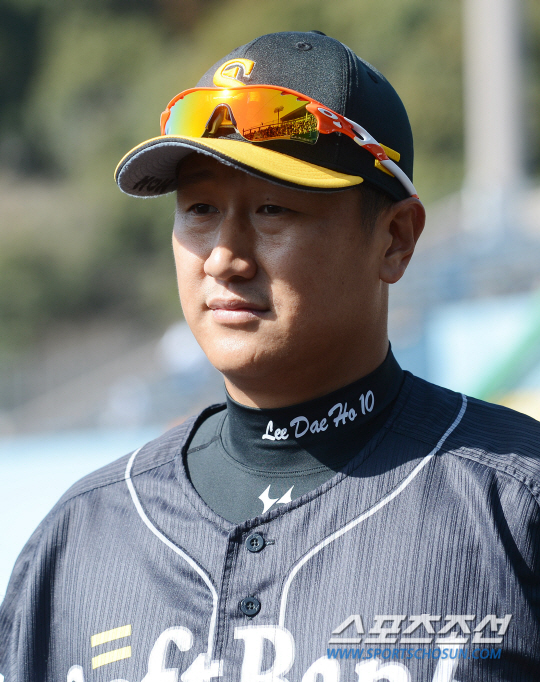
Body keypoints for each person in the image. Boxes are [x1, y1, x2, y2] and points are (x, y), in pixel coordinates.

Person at [1, 30, 540, 682]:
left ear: (396, 239)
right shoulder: (81, 535)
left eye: (271, 207)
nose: (224, 258)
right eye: (200, 208)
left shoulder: (516, 500)